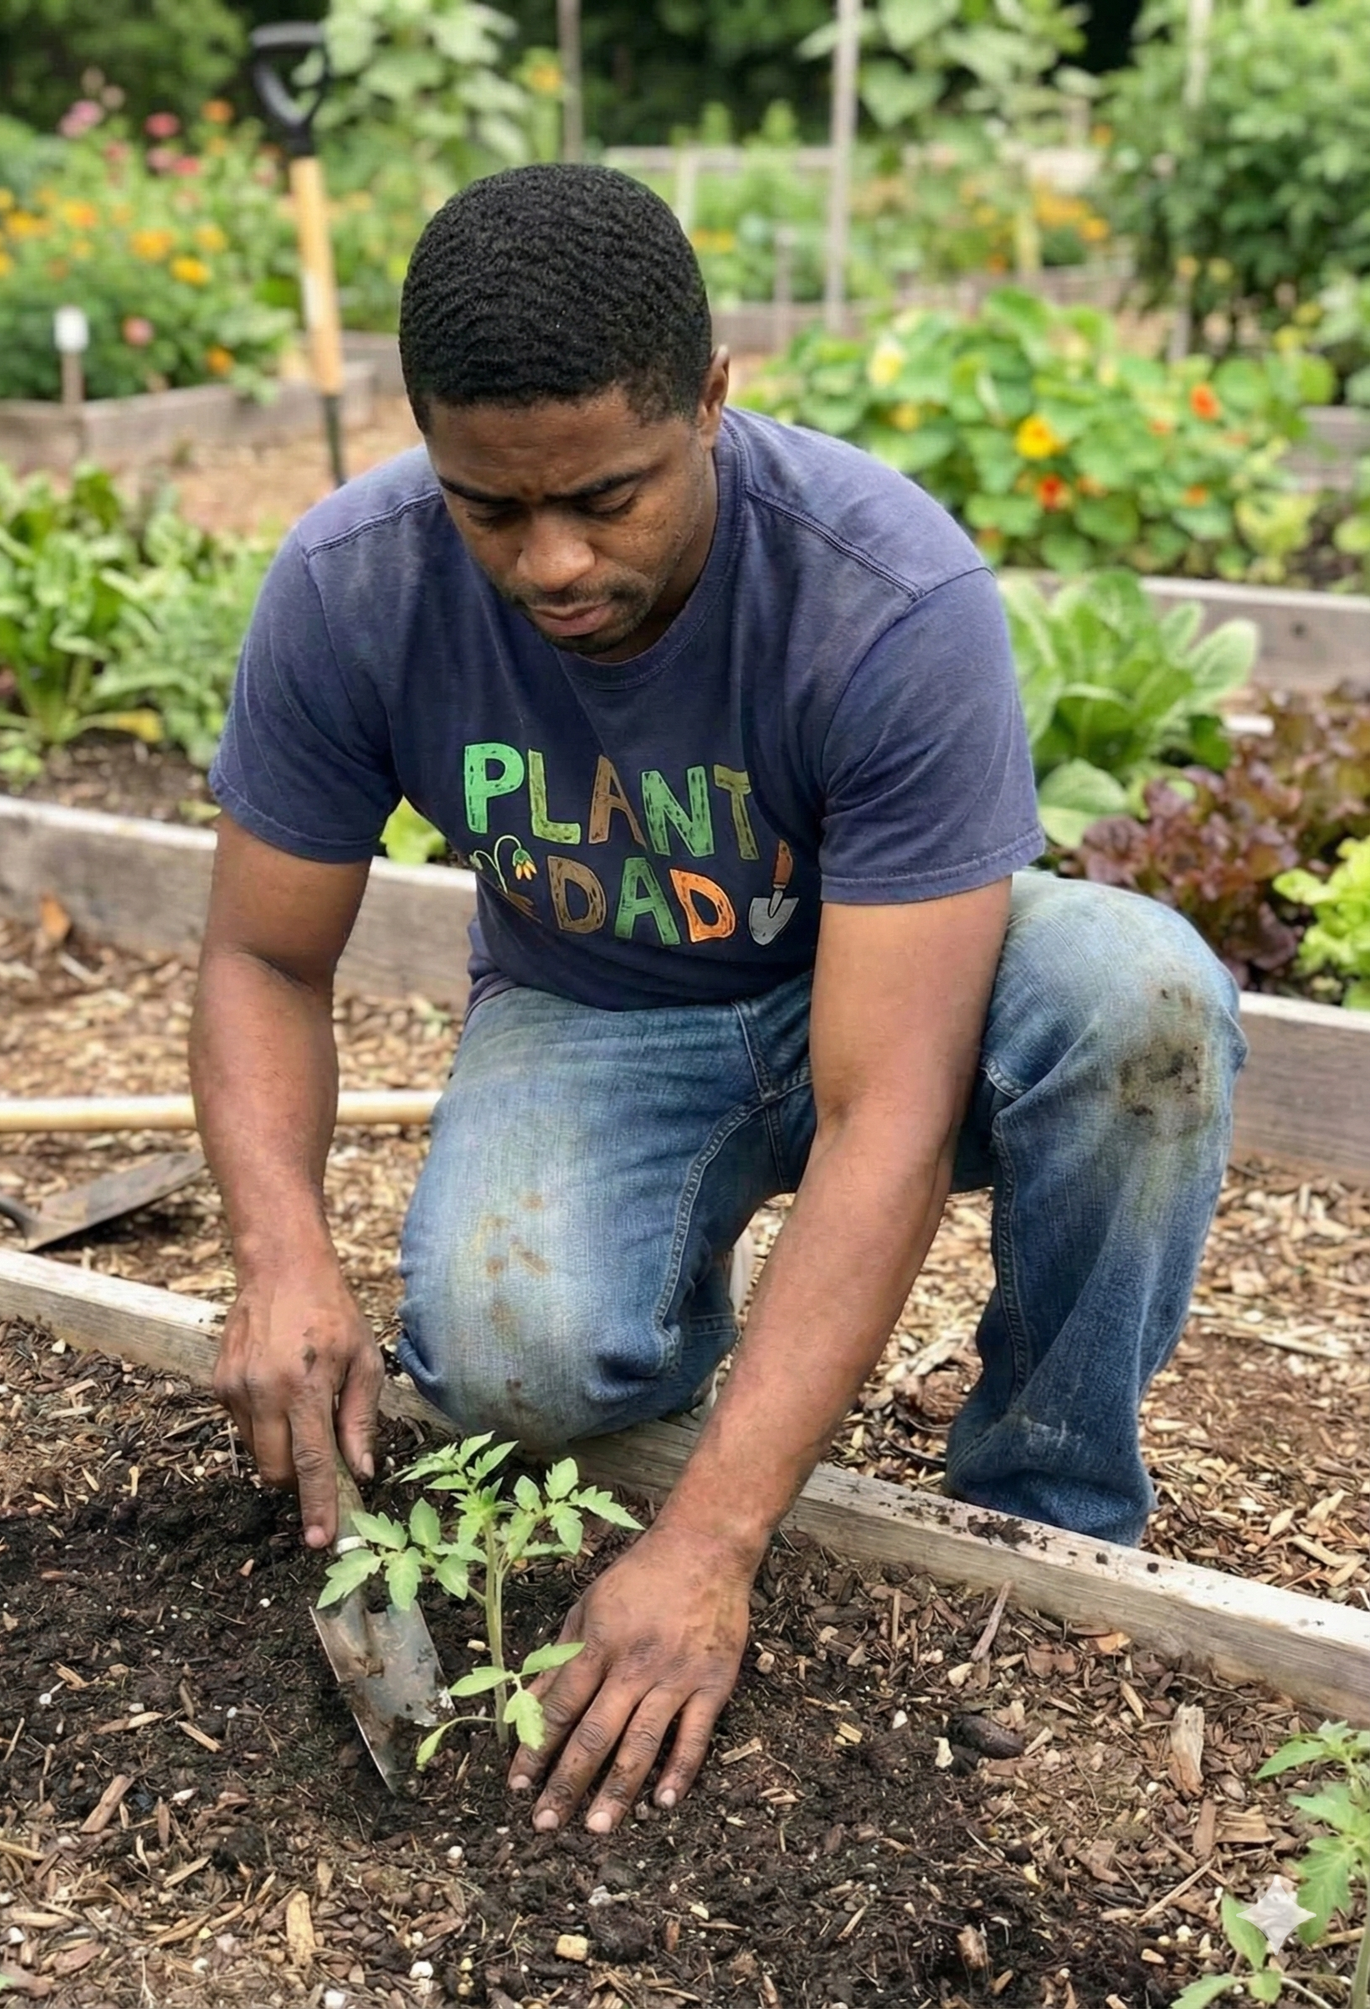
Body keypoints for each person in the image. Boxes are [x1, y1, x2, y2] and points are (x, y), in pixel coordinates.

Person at [191, 163, 1244, 1838]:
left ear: (711, 398)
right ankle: (673, 1361)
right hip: (597, 1007)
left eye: (605, 496)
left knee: (1142, 999)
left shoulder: (882, 593)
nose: (550, 561)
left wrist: (711, 1542)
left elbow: (885, 1108)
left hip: (884, 987)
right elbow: (263, 956)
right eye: (489, 507)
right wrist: (280, 1250)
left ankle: (1044, 1510)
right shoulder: (354, 583)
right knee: (513, 1366)